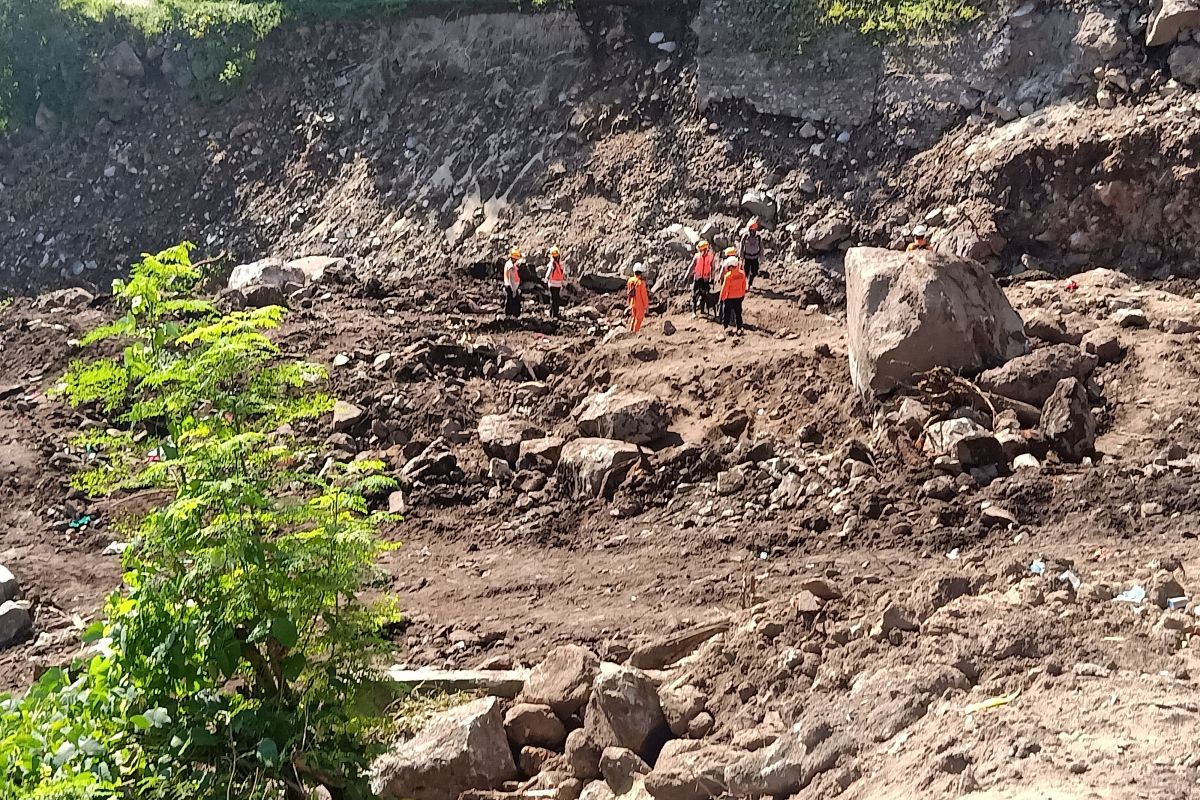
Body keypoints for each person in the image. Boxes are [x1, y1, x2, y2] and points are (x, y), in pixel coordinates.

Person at [686, 240, 716, 318]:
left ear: (706, 249)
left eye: (703, 250)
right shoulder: (697, 256)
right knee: (694, 295)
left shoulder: (710, 256)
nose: (702, 251)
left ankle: (702, 310)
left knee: (704, 295)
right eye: (700, 250)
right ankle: (694, 312)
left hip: (705, 279)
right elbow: (692, 266)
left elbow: (713, 268)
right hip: (697, 278)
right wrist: (687, 276)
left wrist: (712, 279)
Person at [719, 254, 747, 335]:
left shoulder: (728, 276)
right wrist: (742, 295)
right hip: (739, 297)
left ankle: (726, 327)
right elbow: (744, 286)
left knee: (726, 313)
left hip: (729, 297)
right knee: (738, 313)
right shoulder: (742, 274)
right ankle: (739, 327)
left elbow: (725, 288)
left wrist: (722, 297)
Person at [740, 218, 764, 288]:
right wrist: (741, 256)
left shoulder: (758, 237)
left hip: (755, 257)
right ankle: (745, 284)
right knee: (746, 271)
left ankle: (750, 282)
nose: (753, 231)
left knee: (754, 271)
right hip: (747, 257)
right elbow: (741, 246)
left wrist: (761, 257)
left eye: (754, 229)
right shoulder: (745, 237)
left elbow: (761, 247)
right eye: (752, 229)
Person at [627, 262, 650, 333]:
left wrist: (629, 302)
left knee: (633, 318)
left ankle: (630, 331)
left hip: (632, 303)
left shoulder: (630, 281)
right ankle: (635, 333)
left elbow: (628, 292)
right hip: (639, 304)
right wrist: (646, 306)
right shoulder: (641, 283)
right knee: (639, 319)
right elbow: (644, 296)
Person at [544, 246, 567, 319]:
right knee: (555, 299)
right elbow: (562, 274)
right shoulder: (558, 264)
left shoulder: (553, 264)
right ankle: (554, 314)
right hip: (556, 284)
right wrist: (563, 283)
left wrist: (546, 279)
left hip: (553, 284)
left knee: (554, 299)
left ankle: (553, 314)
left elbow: (549, 273)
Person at [503, 248, 523, 317]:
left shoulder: (509, 263)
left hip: (509, 285)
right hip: (511, 286)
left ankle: (508, 314)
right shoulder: (510, 266)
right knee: (514, 301)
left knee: (509, 300)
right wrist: (514, 290)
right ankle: (515, 315)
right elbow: (511, 278)